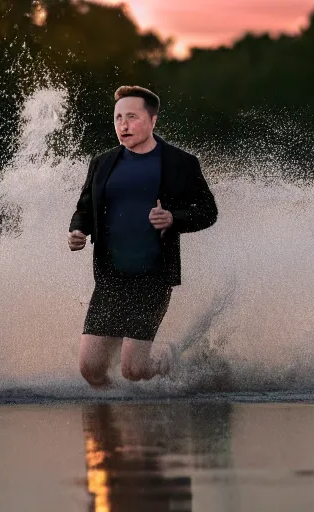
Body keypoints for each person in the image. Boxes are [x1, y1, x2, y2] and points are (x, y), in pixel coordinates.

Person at [68, 85, 218, 388]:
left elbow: (208, 211)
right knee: (91, 370)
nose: (123, 125)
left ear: (152, 120)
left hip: (153, 277)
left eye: (132, 117)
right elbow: (85, 208)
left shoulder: (180, 163)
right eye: (118, 118)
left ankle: (167, 359)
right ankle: (111, 417)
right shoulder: (103, 163)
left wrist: (174, 218)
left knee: (134, 370)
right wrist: (78, 230)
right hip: (110, 277)